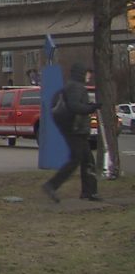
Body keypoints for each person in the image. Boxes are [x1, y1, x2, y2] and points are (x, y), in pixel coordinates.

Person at [43, 63, 102, 202]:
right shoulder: (75, 86)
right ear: (81, 74)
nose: (90, 76)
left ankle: (89, 192)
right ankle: (52, 185)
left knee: (87, 159)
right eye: (88, 73)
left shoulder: (74, 86)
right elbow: (75, 106)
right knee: (76, 158)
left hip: (76, 128)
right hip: (74, 128)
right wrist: (91, 108)